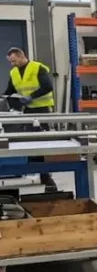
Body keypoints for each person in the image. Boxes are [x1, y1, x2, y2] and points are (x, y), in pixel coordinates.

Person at [6, 47, 58, 189]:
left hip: (42, 110)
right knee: (30, 141)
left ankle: (46, 177)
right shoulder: (14, 72)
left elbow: (48, 86)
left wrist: (31, 96)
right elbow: (9, 91)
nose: (13, 64)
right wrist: (6, 100)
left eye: (14, 61)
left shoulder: (37, 67)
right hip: (28, 111)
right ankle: (37, 172)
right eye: (11, 62)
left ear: (22, 56)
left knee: (42, 143)